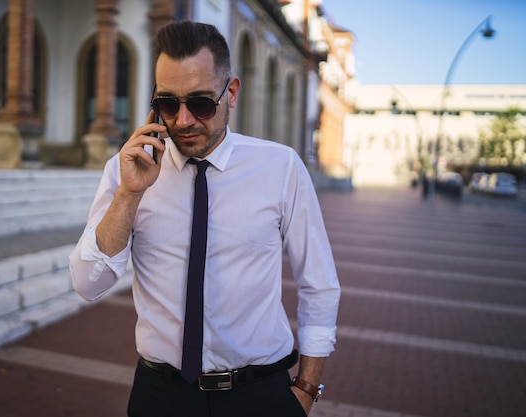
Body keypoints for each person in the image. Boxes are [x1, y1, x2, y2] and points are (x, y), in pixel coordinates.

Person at [69, 20, 340, 417]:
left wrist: (306, 388)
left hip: (259, 394)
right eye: (167, 103)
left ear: (230, 92)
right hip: (160, 395)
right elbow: (89, 284)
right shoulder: (127, 170)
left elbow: (318, 282)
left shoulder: (280, 167)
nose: (182, 121)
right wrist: (130, 193)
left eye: (200, 103)